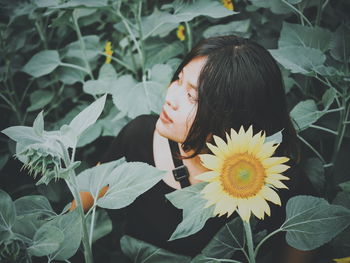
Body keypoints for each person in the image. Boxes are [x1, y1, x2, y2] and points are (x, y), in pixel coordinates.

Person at [75, 35, 315, 262]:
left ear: (231, 117)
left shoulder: (277, 181)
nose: (171, 97)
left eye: (191, 95)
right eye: (178, 79)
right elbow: (72, 217)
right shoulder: (138, 138)